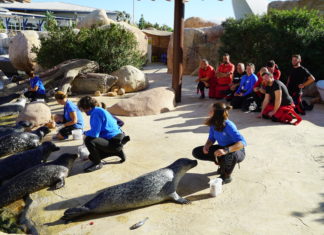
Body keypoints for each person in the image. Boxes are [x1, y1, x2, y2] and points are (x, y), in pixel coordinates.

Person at [192, 102, 246, 184]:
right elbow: (211, 138)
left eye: (211, 110)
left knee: (229, 155)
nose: (209, 112)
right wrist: (207, 145)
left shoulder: (229, 125)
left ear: (216, 113)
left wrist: (226, 150)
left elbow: (242, 143)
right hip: (223, 148)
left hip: (236, 151)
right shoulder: (213, 124)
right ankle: (222, 164)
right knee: (197, 152)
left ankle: (226, 176)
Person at [78, 96, 126, 172]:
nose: (84, 111)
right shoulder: (100, 110)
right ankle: (118, 152)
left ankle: (98, 163)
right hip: (119, 138)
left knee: (89, 140)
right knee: (92, 157)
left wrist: (85, 133)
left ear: (87, 107)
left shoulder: (96, 113)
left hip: (113, 142)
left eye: (83, 109)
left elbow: (94, 134)